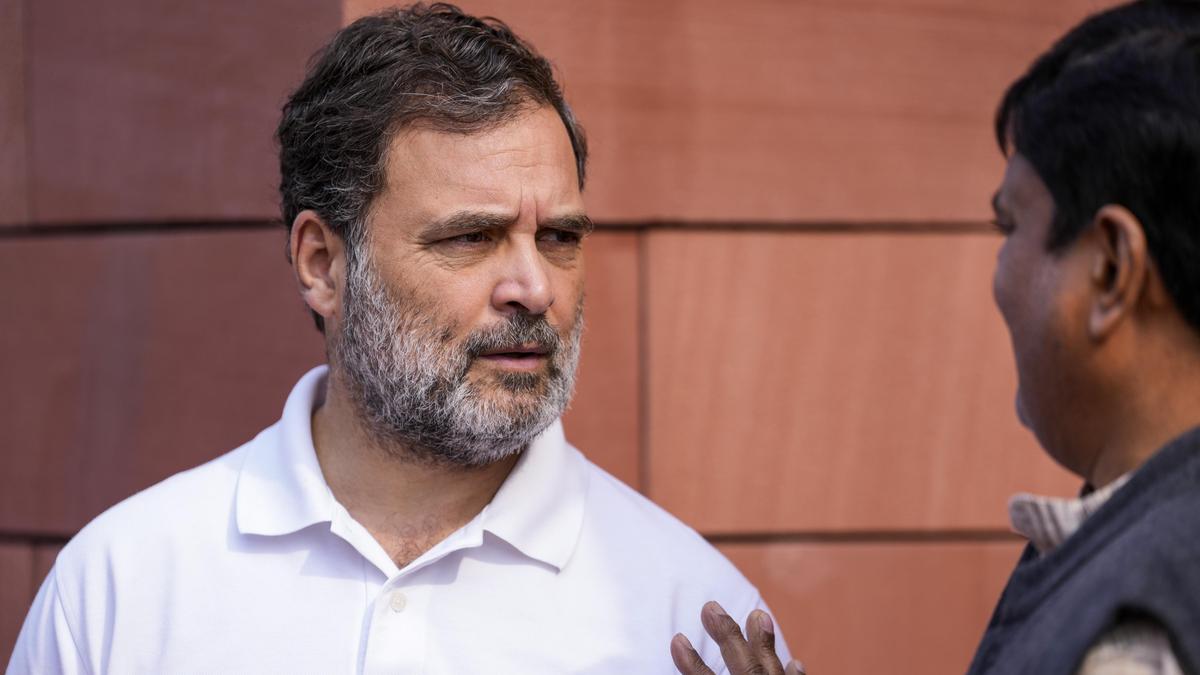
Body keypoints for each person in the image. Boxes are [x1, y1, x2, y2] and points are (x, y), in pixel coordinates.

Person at [6, 4, 790, 673]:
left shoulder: (695, 618)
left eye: (558, 237)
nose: (536, 288)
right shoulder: (121, 591)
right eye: (471, 237)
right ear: (322, 264)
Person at [672, 1, 1200, 674]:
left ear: (1112, 268)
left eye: (1011, 227)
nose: (999, 275)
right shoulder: (1132, 548)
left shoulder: (1140, 631)